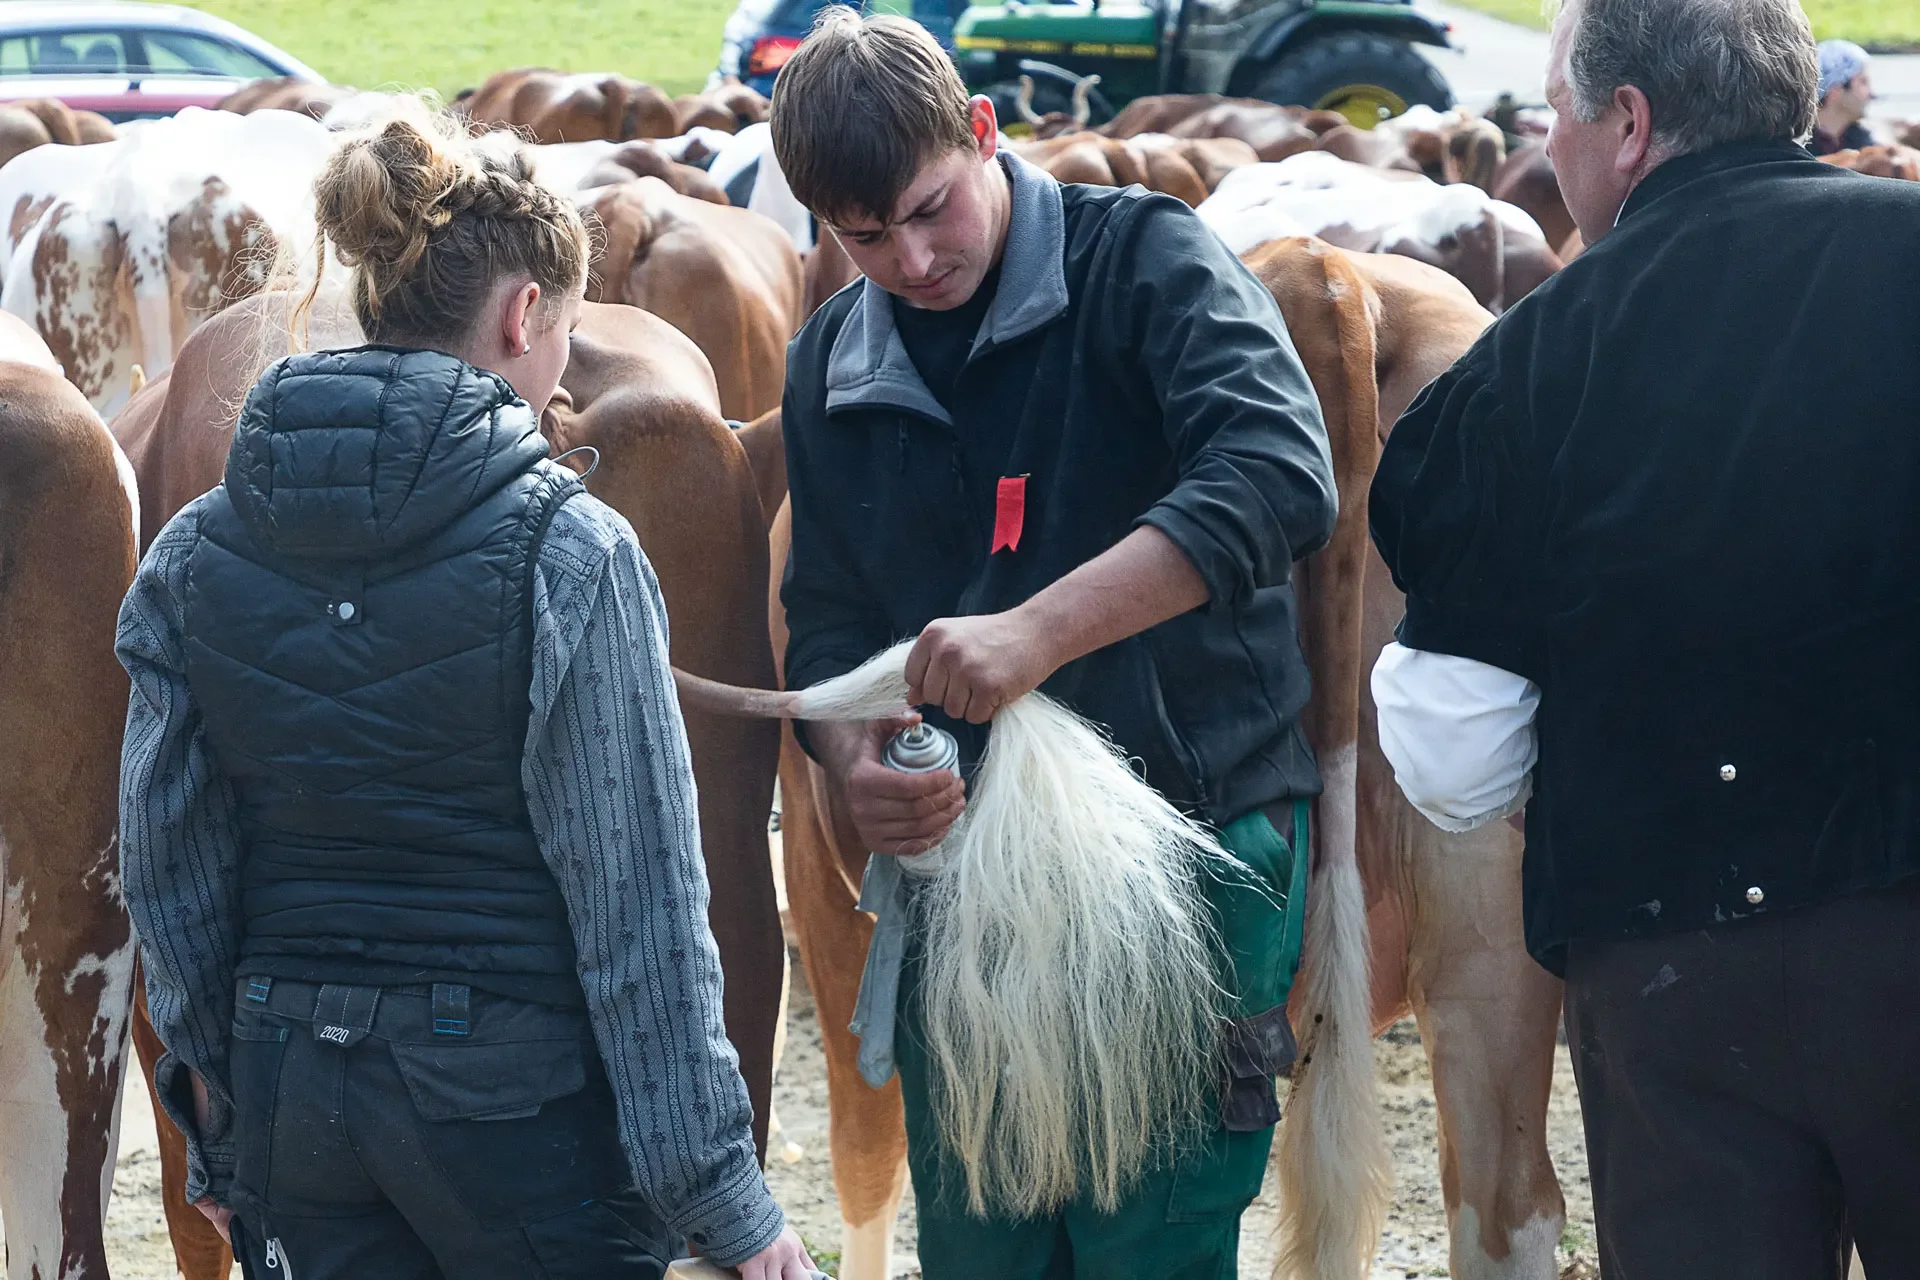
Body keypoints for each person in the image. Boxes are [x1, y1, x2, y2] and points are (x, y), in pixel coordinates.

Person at [116, 101, 813, 1280]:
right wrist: (726, 1200)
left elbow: (169, 871)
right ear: (525, 313)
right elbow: (640, 904)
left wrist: (219, 1135)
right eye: (568, 331)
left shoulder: (189, 554)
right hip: (521, 1126)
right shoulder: (571, 553)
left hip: (295, 1112)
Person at [768, 11, 1337, 1276]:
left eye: (931, 210)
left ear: (983, 131)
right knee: (982, 1240)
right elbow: (830, 618)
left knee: (1153, 1240)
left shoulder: (1146, 262)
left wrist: (1038, 631)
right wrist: (857, 761)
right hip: (967, 876)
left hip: (1193, 839)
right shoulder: (828, 364)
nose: (914, 259)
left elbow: (1278, 473)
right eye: (867, 237)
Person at [1369, 0, 1920, 1274]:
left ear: (1628, 122)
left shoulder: (1513, 374)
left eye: (1553, 112)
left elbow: (1455, 764)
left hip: (1673, 975)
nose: (1547, 144)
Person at [1810, 38, 1875, 154]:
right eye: (1863, 82)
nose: (1871, 94)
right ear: (1836, 89)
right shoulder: (1797, 145)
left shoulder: (1862, 141)